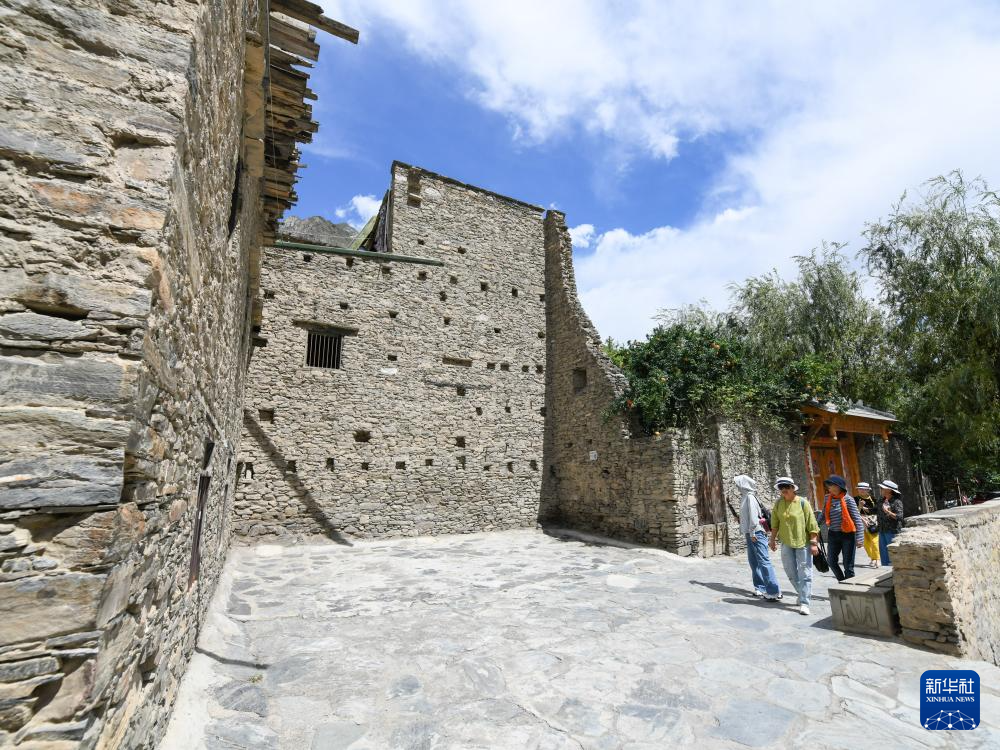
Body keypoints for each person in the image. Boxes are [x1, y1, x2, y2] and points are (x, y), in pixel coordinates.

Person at [768, 477, 820, 616]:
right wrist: (772, 540)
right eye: (781, 487)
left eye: (786, 486)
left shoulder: (803, 503)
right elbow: (775, 523)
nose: (783, 490)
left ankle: (804, 602)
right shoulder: (779, 503)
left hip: (803, 542)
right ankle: (802, 593)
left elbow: (812, 524)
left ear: (792, 488)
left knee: (805, 573)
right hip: (786, 542)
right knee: (790, 572)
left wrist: (814, 543)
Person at [735, 474, 781, 601]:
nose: (737, 487)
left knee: (763, 561)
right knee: (754, 562)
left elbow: (754, 518)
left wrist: (753, 534)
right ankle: (760, 588)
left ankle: (774, 591)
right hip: (750, 533)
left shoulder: (750, 497)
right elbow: (748, 516)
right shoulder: (745, 497)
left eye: (739, 484)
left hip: (756, 533)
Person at [822, 475, 864, 581]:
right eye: (828, 486)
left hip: (848, 536)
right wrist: (815, 525)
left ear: (839, 487)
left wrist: (860, 538)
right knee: (831, 561)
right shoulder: (827, 498)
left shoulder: (848, 499)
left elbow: (857, 519)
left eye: (831, 486)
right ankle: (842, 581)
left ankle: (850, 587)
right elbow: (823, 514)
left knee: (848, 565)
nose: (829, 488)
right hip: (833, 534)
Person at [877, 480, 905, 565]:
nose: (880, 489)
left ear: (889, 490)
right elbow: (875, 510)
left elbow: (899, 517)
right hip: (882, 530)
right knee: (884, 555)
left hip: (892, 531)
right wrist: (861, 507)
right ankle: (886, 569)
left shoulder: (897, 502)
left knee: (893, 554)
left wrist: (888, 512)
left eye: (882, 488)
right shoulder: (881, 500)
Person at [856, 481, 881, 568]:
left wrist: (865, 508)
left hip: (873, 521)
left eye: (864, 489)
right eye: (860, 489)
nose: (862, 490)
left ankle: (877, 559)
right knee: (866, 543)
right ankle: (872, 558)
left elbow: (877, 510)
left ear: (868, 490)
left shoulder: (873, 499)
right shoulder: (855, 499)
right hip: (860, 522)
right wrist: (860, 506)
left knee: (874, 541)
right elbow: (854, 512)